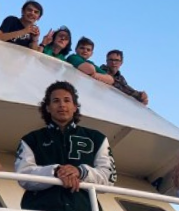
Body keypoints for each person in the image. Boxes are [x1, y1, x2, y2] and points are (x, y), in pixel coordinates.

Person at [15, 81, 116, 211]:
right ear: (48, 108)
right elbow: (23, 176)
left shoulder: (97, 138)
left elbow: (108, 177)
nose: (62, 105)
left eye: (67, 100)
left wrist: (80, 172)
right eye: (56, 101)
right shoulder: (31, 140)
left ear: (75, 106)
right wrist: (56, 171)